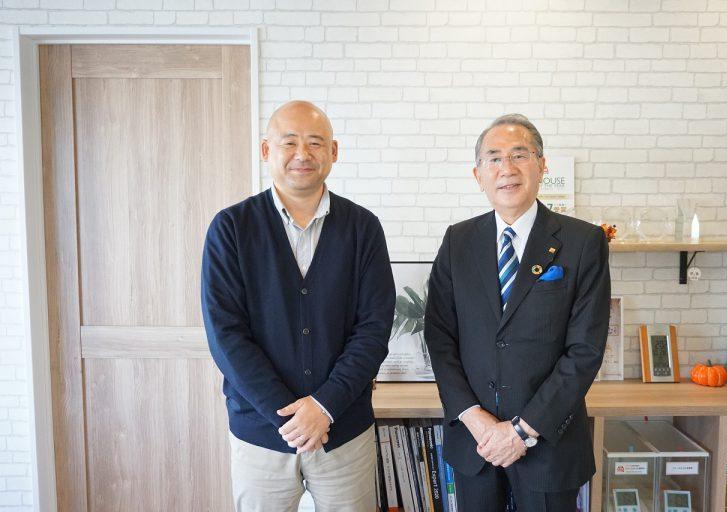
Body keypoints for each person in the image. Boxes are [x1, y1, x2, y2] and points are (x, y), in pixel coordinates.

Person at [201, 100, 395, 512]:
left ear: (334, 152)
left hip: (344, 429)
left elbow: (374, 329)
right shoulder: (231, 228)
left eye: (315, 143)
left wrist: (324, 407)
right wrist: (290, 418)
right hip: (260, 434)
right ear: (266, 150)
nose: (302, 154)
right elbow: (226, 335)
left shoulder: (363, 228)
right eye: (289, 142)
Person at [424, 114, 610, 511]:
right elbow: (439, 338)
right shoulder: (458, 241)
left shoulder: (583, 241)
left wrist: (521, 432)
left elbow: (585, 351)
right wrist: (477, 420)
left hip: (548, 447)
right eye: (493, 159)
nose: (506, 169)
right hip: (476, 443)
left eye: (518, 155)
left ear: (542, 166)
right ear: (478, 175)